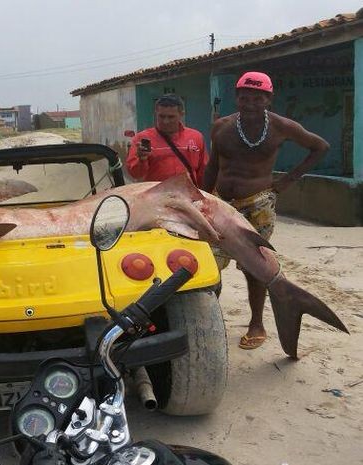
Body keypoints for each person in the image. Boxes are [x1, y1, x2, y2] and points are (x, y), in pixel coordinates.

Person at [203, 71, 329, 350]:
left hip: (258, 204)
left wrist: (288, 180)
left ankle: (256, 323)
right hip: (222, 203)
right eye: (244, 97)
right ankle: (209, 321)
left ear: (268, 99)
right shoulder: (221, 127)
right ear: (236, 98)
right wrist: (201, 198)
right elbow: (213, 165)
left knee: (255, 266)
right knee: (209, 264)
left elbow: (320, 147)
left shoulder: (282, 127)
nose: (250, 103)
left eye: (257, 97)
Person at [125, 94, 208, 187]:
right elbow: (135, 174)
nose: (165, 121)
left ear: (182, 114)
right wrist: (142, 160)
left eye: (171, 117)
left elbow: (203, 172)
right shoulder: (141, 139)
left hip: (188, 198)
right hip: (156, 198)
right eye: (161, 116)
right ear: (156, 113)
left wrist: (204, 195)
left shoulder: (196, 137)